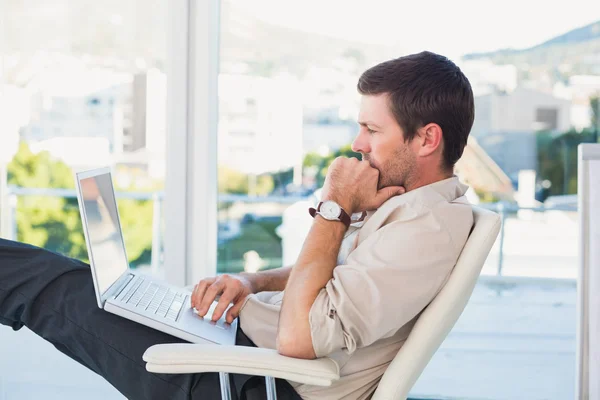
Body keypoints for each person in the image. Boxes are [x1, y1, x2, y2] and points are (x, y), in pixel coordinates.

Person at [0, 51, 475, 400]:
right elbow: (332, 278)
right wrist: (251, 283)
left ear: (427, 138)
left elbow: (297, 341)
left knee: (41, 285)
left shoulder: (427, 229)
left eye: (372, 129)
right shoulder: (409, 208)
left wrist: (335, 206)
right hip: (243, 349)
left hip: (250, 379)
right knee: (68, 278)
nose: (357, 143)